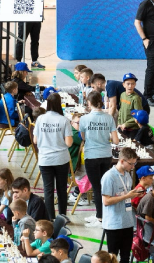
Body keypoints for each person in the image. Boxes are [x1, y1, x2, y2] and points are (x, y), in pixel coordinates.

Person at [101, 147, 141, 263]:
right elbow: (106, 201)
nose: (132, 167)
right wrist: (127, 196)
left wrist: (135, 196)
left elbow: (127, 196)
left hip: (127, 222)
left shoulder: (127, 175)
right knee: (113, 258)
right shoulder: (109, 177)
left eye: (134, 164)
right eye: (131, 164)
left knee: (126, 257)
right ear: (122, 161)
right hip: (113, 223)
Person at [79, 91, 119, 228]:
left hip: (92, 155)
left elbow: (83, 138)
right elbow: (116, 140)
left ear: (89, 103)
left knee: (97, 187)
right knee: (104, 186)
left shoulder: (84, 119)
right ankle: (100, 214)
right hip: (106, 155)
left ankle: (100, 218)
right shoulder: (109, 118)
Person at [34, 92, 73, 220]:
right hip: (61, 159)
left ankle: (50, 218)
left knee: (48, 190)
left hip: (45, 159)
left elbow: (35, 140)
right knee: (62, 189)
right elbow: (69, 143)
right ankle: (62, 217)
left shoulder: (40, 119)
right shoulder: (64, 120)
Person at [134, 0, 154, 107]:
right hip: (151, 41)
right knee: (152, 67)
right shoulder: (145, 4)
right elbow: (137, 23)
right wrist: (145, 39)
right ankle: (147, 95)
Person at [116, 73, 142, 139]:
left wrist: (126, 124)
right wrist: (119, 123)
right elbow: (121, 110)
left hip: (132, 129)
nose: (130, 86)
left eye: (132, 84)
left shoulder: (136, 98)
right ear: (123, 84)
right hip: (122, 127)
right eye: (128, 84)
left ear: (135, 85)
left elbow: (138, 116)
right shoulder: (122, 95)